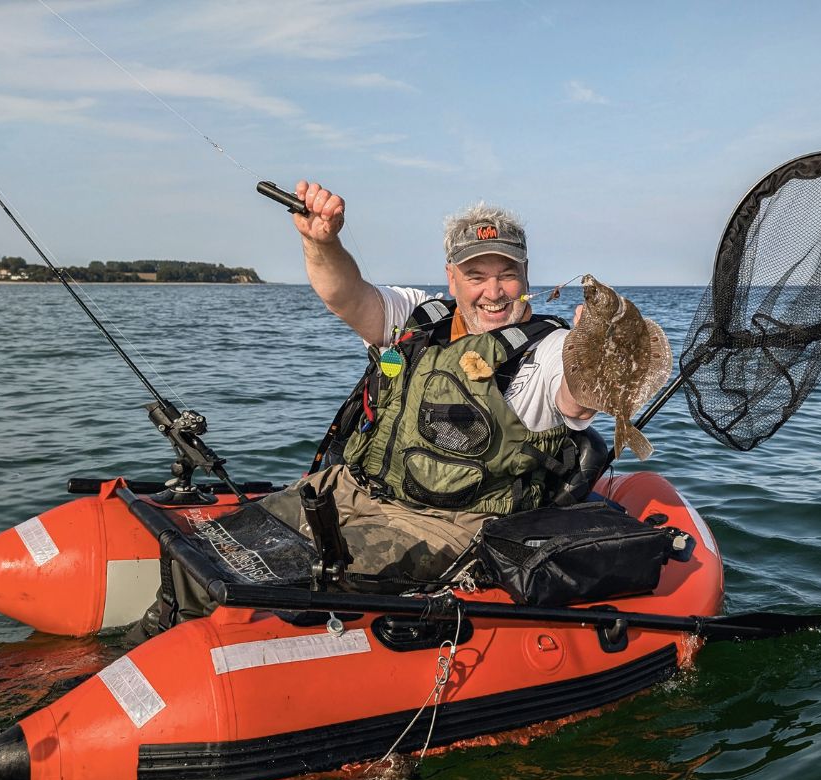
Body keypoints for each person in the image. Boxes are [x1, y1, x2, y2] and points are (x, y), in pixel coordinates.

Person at [253, 180, 598, 586]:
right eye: (475, 276)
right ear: (451, 278)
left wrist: (591, 354)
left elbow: (576, 402)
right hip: (351, 486)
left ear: (525, 275)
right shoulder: (421, 315)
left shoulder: (552, 347)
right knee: (223, 545)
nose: (494, 292)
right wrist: (322, 243)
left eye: (507, 274)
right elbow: (344, 295)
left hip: (446, 526)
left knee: (288, 582)